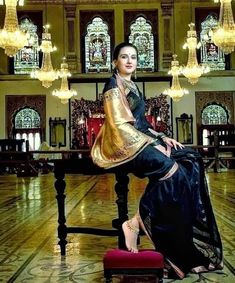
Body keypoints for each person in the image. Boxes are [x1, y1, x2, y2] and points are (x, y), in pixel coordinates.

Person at [91, 42, 223, 279]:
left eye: (133, 57)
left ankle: (184, 250)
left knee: (190, 162)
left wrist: (163, 138)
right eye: (124, 57)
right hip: (124, 146)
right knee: (171, 170)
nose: (129, 61)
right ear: (115, 61)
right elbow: (120, 126)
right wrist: (153, 145)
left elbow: (142, 123)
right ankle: (136, 222)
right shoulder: (113, 85)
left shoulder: (132, 85)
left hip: (141, 140)